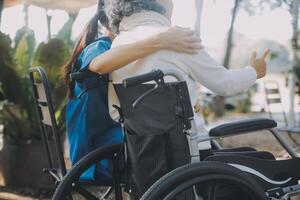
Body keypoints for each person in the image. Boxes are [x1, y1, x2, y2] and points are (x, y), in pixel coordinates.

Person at [104, 0, 270, 154]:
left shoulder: (117, 47)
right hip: (189, 150)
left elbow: (115, 111)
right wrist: (254, 71)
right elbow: (225, 84)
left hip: (143, 152)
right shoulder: (177, 38)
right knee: (260, 157)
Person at [63, 0, 203, 181]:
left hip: (100, 148)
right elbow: (99, 65)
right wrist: (159, 41)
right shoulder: (101, 47)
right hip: (100, 158)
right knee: (172, 148)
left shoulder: (113, 49)